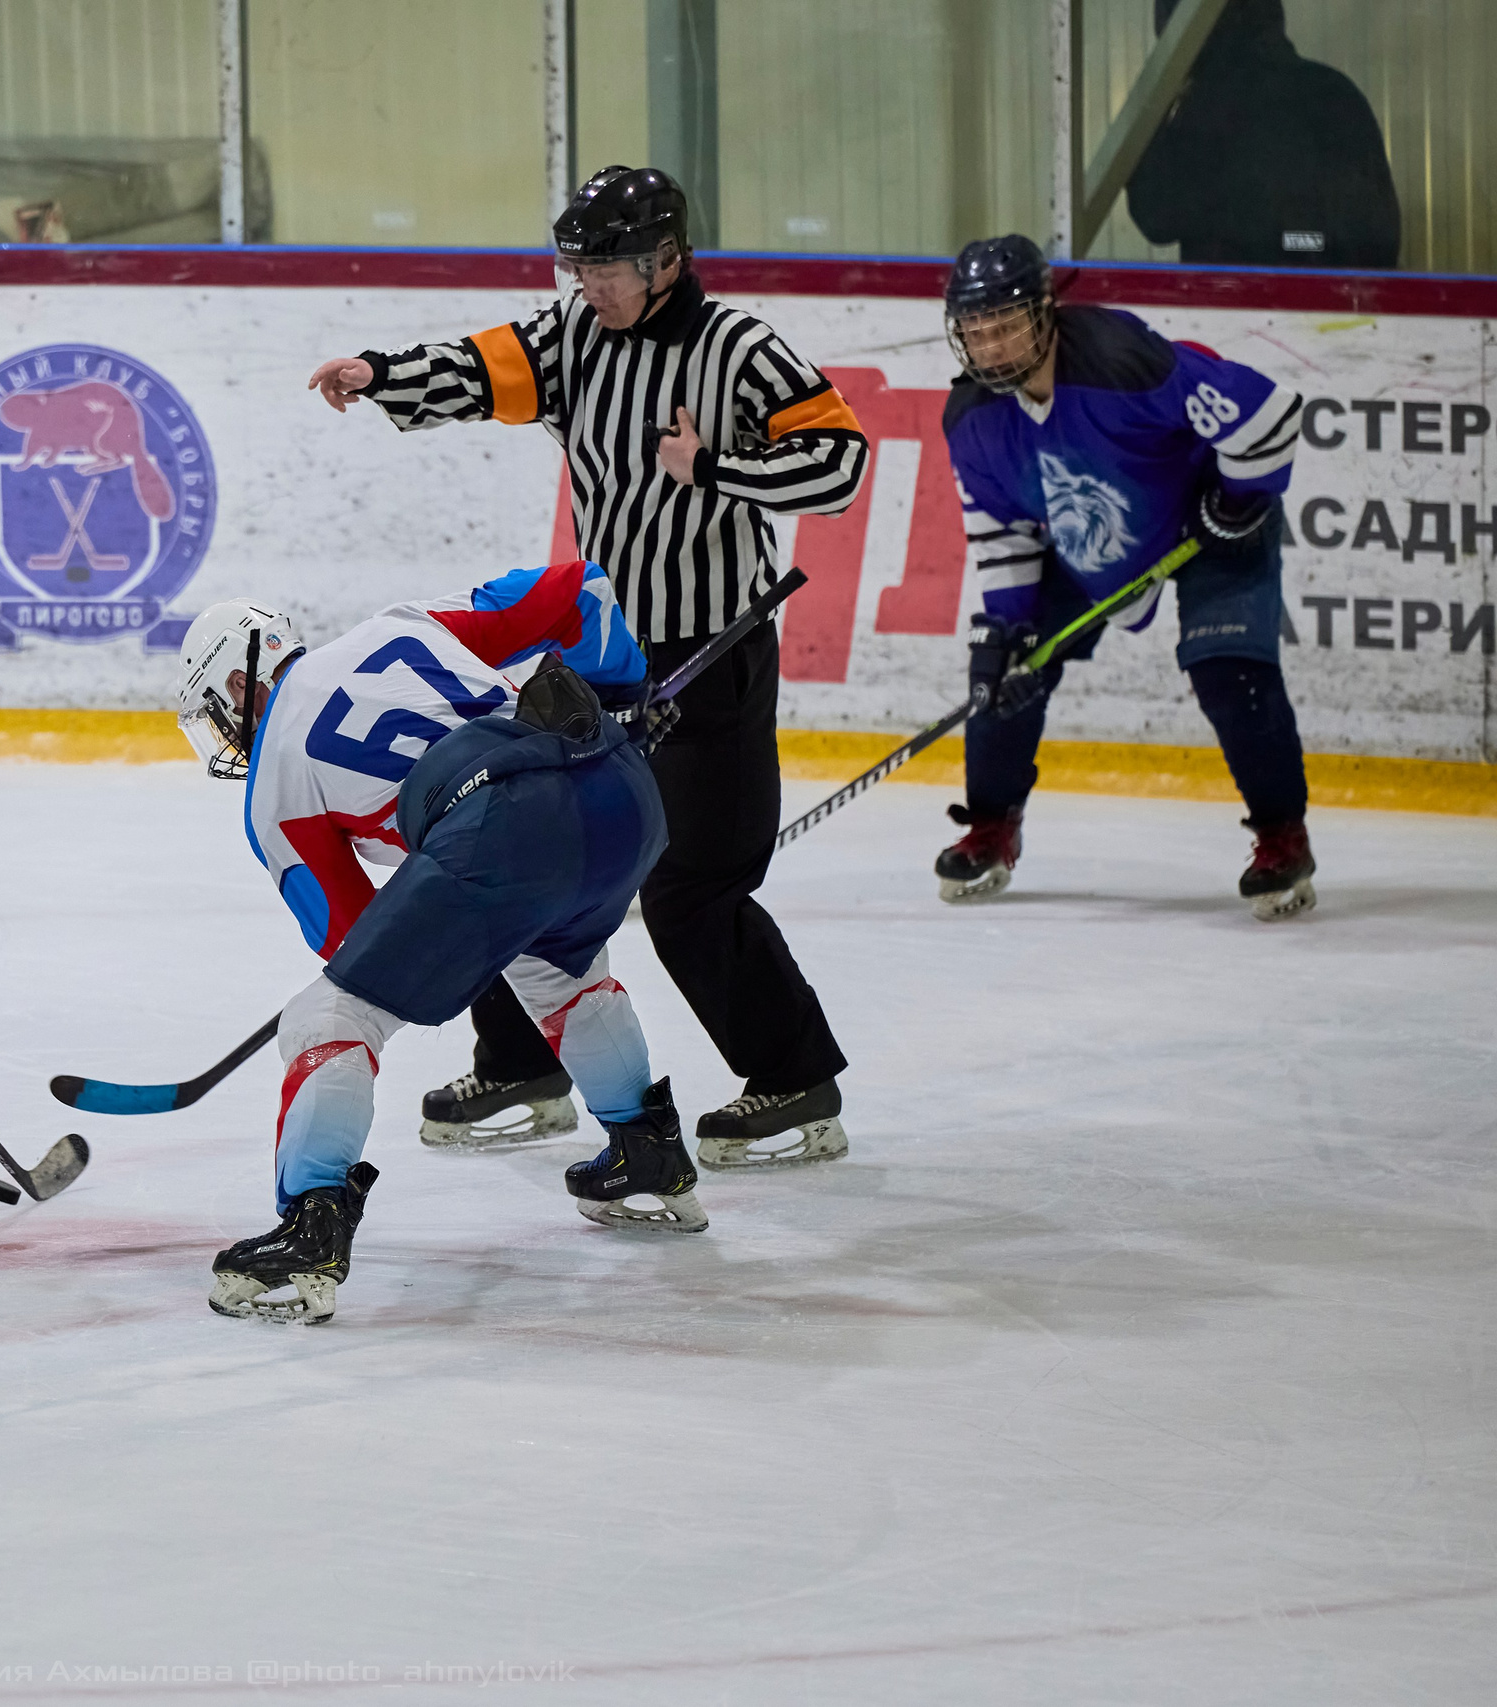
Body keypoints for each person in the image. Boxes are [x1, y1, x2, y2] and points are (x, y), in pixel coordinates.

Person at [306, 165, 866, 1173]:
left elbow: (839, 462)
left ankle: (792, 1077)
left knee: (694, 891)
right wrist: (378, 374)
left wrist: (717, 468)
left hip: (710, 656)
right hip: (598, 656)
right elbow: (483, 367)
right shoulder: (575, 336)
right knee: (517, 848)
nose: (587, 284)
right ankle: (522, 1063)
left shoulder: (736, 349)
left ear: (665, 259)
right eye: (578, 265)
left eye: (605, 266)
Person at [175, 559, 701, 1327]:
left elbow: (354, 944)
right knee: (560, 969)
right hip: (617, 779)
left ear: (239, 683)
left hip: (504, 825)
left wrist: (441, 919)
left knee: (329, 1021)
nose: (223, 735)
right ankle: (648, 1149)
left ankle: (311, 1226)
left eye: (217, 713)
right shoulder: (401, 622)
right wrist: (626, 693)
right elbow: (577, 588)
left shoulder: (273, 784)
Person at [938, 235, 1315, 920]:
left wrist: (1233, 503)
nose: (991, 347)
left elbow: (1269, 414)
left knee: (1229, 669)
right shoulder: (971, 421)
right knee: (1003, 666)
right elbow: (1002, 529)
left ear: (1045, 313)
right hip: (1100, 530)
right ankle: (992, 824)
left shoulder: (1121, 359)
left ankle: (1281, 836)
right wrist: (1013, 620)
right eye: (977, 331)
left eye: (1006, 325)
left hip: (1210, 511)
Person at [1127, 0, 1399, 270]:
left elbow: (1156, 217)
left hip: (1222, 306)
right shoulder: (1333, 93)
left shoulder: (1204, 109)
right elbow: (1376, 243)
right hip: (1335, 306)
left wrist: (1160, 100)